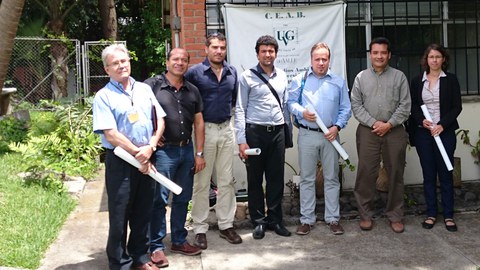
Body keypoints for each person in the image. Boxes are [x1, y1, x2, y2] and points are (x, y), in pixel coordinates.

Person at [92, 43, 166, 270]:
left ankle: (140, 258)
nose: (121, 66)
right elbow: (111, 134)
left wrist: (151, 147)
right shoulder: (103, 96)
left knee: (143, 211)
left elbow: (160, 120)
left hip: (146, 156)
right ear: (107, 69)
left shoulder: (144, 89)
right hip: (122, 161)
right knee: (119, 215)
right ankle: (120, 263)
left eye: (124, 61)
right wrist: (138, 153)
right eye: (115, 63)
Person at [144, 48, 206, 268]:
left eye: (184, 60)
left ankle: (179, 240)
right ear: (167, 61)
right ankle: (156, 246)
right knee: (158, 200)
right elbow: (140, 113)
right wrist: (151, 137)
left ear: (188, 63)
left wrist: (199, 153)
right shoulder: (152, 86)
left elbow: (199, 123)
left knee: (182, 198)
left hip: (186, 151)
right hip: (163, 153)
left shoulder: (193, 90)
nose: (180, 63)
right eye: (175, 59)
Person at [287, 42, 352, 236]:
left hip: (330, 136)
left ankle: (333, 219)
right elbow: (290, 103)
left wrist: (337, 126)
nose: (321, 63)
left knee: (332, 178)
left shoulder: (338, 82)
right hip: (307, 134)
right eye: (317, 59)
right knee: (307, 179)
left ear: (329, 60)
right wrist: (302, 112)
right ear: (311, 60)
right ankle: (307, 220)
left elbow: (345, 108)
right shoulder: (301, 80)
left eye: (325, 59)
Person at [185, 32, 242, 249]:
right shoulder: (195, 73)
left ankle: (226, 224)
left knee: (227, 180)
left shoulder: (232, 72)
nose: (219, 51)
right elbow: (186, 101)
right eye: (215, 47)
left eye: (222, 48)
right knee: (202, 182)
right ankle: (200, 228)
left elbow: (233, 101)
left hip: (226, 129)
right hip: (204, 131)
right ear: (206, 48)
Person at [350, 37, 411, 233]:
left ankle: (395, 215)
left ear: (389, 55)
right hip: (368, 132)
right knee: (366, 173)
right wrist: (374, 123)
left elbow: (405, 105)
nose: (379, 56)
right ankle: (365, 214)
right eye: (375, 53)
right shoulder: (360, 77)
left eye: (383, 52)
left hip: (394, 131)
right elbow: (356, 106)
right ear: (370, 55)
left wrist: (389, 124)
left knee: (395, 173)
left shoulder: (399, 77)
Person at [234, 35, 291, 240]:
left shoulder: (283, 76)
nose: (268, 54)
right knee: (255, 179)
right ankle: (258, 222)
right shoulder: (247, 77)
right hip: (255, 133)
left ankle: (275, 220)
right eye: (264, 51)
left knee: (276, 178)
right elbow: (240, 109)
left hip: (277, 133)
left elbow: (285, 106)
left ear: (276, 53)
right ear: (257, 53)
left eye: (271, 51)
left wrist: (286, 134)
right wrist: (242, 140)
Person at [410, 44, 462, 232]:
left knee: (446, 174)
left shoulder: (451, 80)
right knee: (429, 174)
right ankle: (431, 213)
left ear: (444, 59)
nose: (434, 60)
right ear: (426, 59)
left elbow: (457, 107)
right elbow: (414, 106)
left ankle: (448, 215)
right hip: (424, 133)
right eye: (431, 57)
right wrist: (422, 120)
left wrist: (442, 125)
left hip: (444, 132)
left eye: (438, 57)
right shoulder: (417, 81)